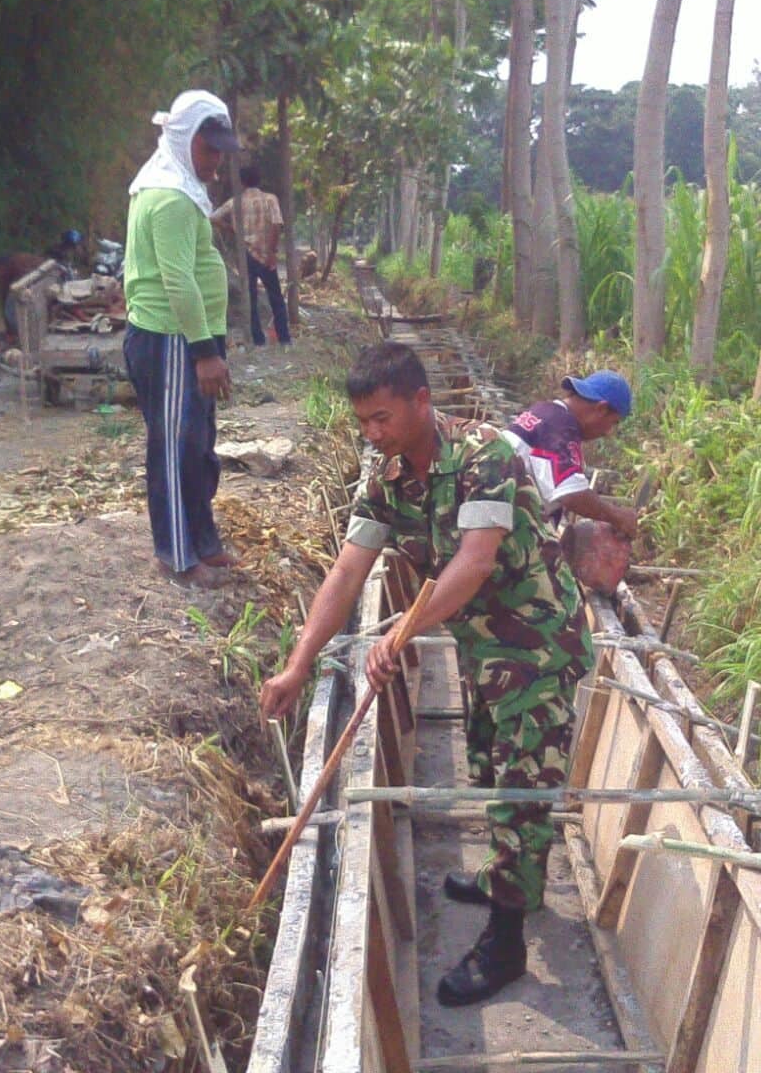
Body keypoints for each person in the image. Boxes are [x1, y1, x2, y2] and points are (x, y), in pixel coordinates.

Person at [259, 341, 593, 1007]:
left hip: (535, 644)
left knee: (524, 784)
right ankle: (511, 877)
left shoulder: (484, 456)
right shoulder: (387, 480)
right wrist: (298, 664)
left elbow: (471, 564)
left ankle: (505, 945)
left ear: (420, 401)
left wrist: (402, 633)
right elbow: (348, 570)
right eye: (364, 424)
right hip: (482, 647)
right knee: (496, 770)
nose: (374, 434)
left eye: (382, 418)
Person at [121, 90, 242, 590]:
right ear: (182, 139)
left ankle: (203, 540)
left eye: (219, 149)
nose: (215, 159)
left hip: (188, 338)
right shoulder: (168, 197)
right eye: (207, 148)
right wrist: (206, 352)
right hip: (171, 339)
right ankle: (176, 554)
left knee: (197, 444)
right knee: (173, 449)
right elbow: (177, 281)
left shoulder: (183, 190)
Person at [503, 369, 637, 538]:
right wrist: (617, 517)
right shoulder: (559, 425)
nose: (608, 432)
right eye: (613, 423)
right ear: (601, 408)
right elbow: (571, 493)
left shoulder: (544, 411)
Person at [211, 165, 290, 347]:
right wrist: (271, 253)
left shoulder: (235, 202)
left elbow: (213, 217)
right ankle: (284, 339)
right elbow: (277, 225)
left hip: (246, 254)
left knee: (251, 298)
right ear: (258, 180)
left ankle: (258, 340)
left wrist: (231, 229)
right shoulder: (270, 199)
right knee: (276, 297)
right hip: (265, 254)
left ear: (242, 182)